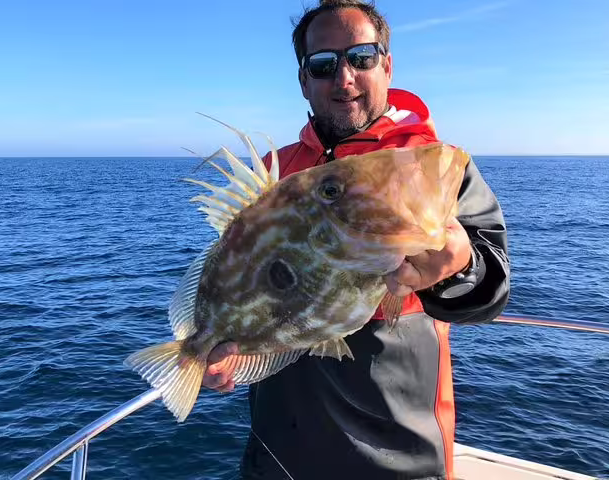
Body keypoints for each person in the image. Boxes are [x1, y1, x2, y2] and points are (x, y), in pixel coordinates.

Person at [202, 1, 510, 479]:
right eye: (323, 64)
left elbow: (491, 290)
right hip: (277, 454)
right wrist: (226, 351)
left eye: (361, 57)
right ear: (303, 80)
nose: (343, 77)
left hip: (400, 452)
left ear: (386, 64)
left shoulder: (428, 166)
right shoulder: (273, 173)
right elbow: (240, 279)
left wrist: (460, 265)